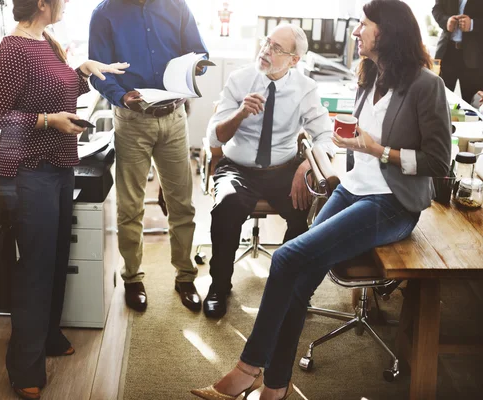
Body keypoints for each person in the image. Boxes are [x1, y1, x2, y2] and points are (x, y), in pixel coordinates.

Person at [192, 1, 451, 399]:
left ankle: (248, 370)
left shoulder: (425, 85)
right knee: (296, 284)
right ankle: (276, 387)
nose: (355, 31)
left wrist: (378, 150)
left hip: (392, 202)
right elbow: (348, 138)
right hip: (352, 188)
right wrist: (326, 153)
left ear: (389, 31)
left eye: (363, 25)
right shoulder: (369, 75)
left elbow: (437, 161)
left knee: (285, 257)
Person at [0, 0, 128, 399]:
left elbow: (57, 89)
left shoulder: (47, 40)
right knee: (35, 267)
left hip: (60, 166)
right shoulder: (13, 49)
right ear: (43, 4)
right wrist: (49, 121)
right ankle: (23, 366)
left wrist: (81, 72)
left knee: (56, 257)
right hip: (29, 171)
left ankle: (47, 336)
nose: (67, 3)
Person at [203, 23, 335, 319]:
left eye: (277, 48)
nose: (266, 50)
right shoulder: (240, 79)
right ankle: (218, 286)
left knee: (305, 210)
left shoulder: (305, 88)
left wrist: (306, 164)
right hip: (237, 167)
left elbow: (326, 136)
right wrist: (240, 113)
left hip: (283, 169)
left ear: (294, 60)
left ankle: (287, 285)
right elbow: (215, 138)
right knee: (226, 207)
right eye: (267, 43)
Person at [89, 0, 209, 313]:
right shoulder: (104, 14)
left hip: (173, 117)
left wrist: (194, 67)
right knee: (130, 205)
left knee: (181, 202)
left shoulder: (176, 6)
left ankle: (185, 275)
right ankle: (132, 278)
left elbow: (199, 52)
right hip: (132, 119)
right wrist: (121, 96)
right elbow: (97, 72)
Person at [433, 0, 483, 103]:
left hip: (474, 58)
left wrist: (473, 24)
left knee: (473, 106)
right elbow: (437, 9)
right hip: (446, 53)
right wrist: (446, 21)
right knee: (439, 100)